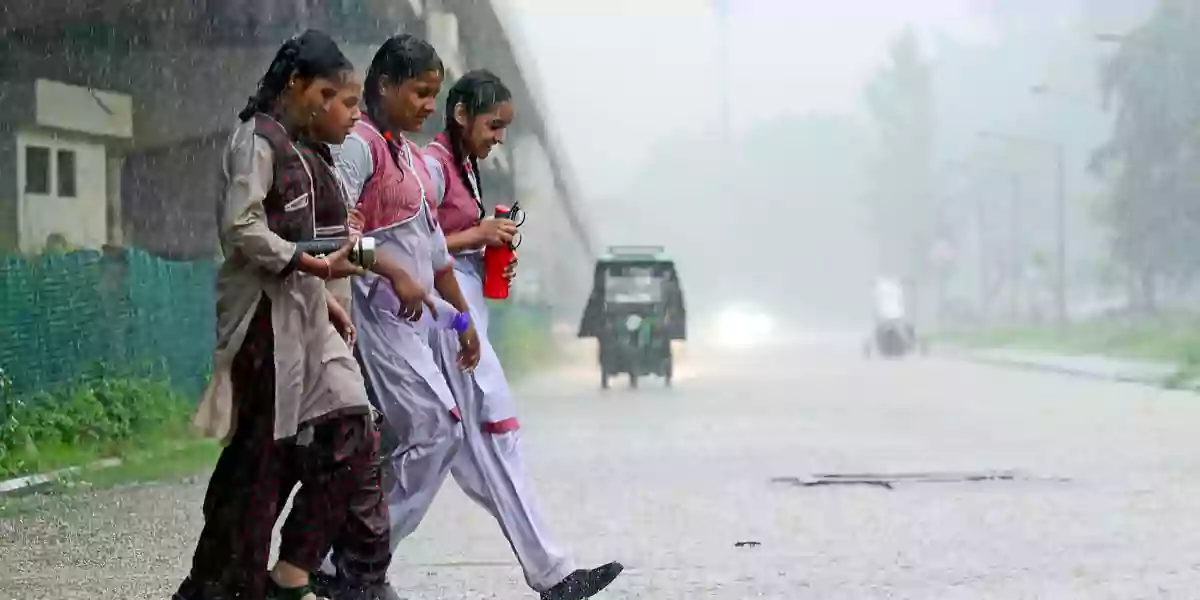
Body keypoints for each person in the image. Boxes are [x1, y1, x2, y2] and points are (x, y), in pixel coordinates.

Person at [174, 30, 425, 600]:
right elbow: (241, 228)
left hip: (310, 316)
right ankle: (222, 583)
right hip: (263, 320)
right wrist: (305, 266)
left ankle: (297, 573)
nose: (347, 112)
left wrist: (335, 293)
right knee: (263, 458)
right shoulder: (255, 142)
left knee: (352, 434)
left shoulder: (313, 153)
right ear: (299, 87)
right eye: (338, 98)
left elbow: (334, 243)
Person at [421, 69, 624, 600]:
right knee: (495, 433)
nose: (499, 138)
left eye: (506, 128)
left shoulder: (464, 167)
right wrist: (477, 234)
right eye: (494, 125)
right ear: (461, 114)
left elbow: (448, 242)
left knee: (444, 449)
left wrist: (484, 249)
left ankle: (336, 561)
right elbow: (410, 245)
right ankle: (555, 575)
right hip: (450, 316)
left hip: (465, 307)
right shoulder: (433, 167)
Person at [315, 33, 481, 599]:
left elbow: (434, 256)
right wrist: (390, 270)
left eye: (435, 95)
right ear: (383, 86)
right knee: (436, 430)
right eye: (420, 93)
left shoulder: (406, 155)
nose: (429, 106)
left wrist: (463, 319)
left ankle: (353, 562)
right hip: (376, 319)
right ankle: (349, 562)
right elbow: (334, 236)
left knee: (408, 442)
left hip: (415, 327)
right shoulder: (359, 146)